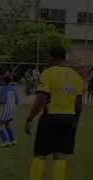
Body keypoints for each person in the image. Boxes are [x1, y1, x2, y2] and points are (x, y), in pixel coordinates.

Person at [25, 46, 84, 180]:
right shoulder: (76, 77)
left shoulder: (48, 73)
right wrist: (76, 120)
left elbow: (41, 99)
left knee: (40, 154)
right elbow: (79, 104)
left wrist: (30, 118)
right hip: (69, 119)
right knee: (60, 156)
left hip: (51, 118)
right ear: (64, 57)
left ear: (51, 57)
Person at [0, 76, 18, 147]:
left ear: (4, 81)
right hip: (12, 110)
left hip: (6, 110)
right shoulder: (13, 89)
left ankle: (5, 141)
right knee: (7, 125)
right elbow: (17, 100)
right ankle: (13, 140)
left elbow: (3, 100)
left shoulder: (3, 89)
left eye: (1, 80)